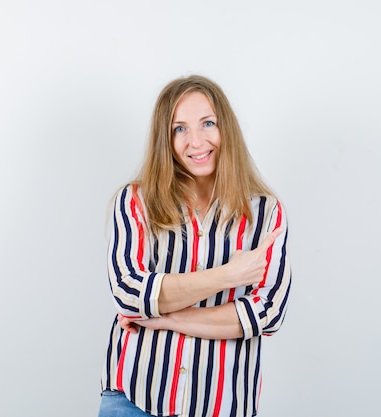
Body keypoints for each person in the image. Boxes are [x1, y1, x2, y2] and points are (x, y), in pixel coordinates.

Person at [98, 75, 291, 417]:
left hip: (223, 406)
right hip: (135, 401)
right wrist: (229, 275)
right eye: (179, 129)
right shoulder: (135, 202)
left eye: (207, 123)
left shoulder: (265, 212)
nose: (196, 141)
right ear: (165, 139)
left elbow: (266, 313)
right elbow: (130, 294)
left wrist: (163, 317)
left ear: (226, 128)